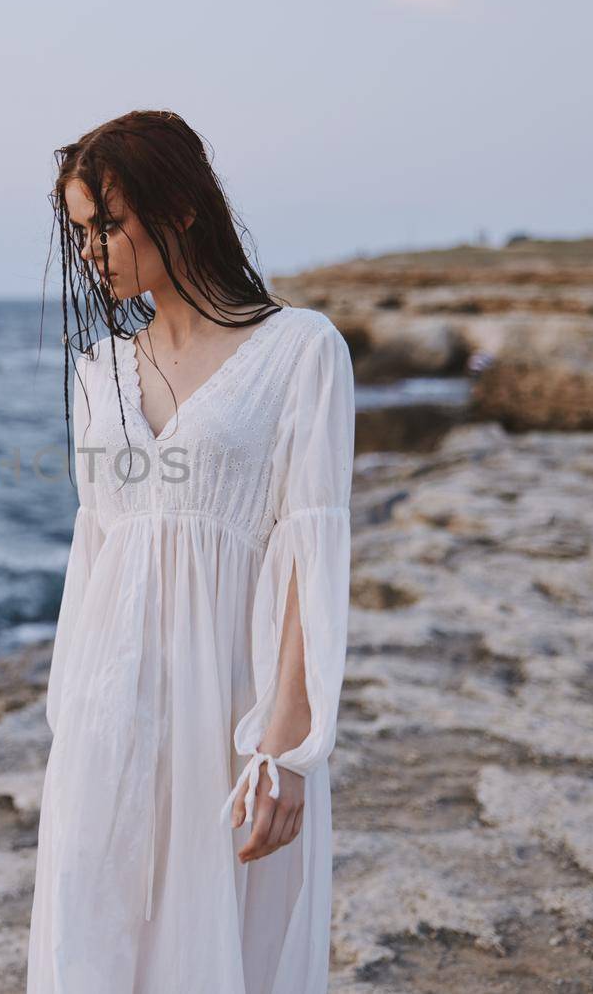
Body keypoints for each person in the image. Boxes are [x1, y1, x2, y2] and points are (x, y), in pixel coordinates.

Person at [26, 110, 355, 993]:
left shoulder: (299, 352)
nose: (92, 252)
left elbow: (308, 549)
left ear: (178, 210)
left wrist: (283, 747)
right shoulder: (100, 370)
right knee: (94, 944)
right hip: (108, 712)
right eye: (79, 231)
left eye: (106, 225)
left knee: (219, 952)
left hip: (230, 713)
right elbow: (95, 554)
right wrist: (73, 731)